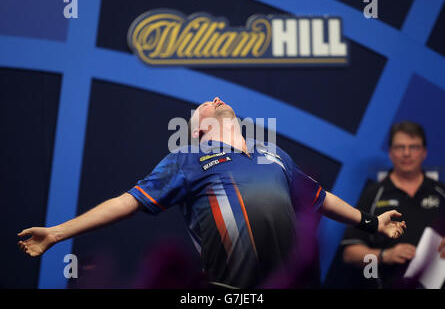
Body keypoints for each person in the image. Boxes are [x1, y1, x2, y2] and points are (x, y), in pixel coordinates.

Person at [18, 97, 407, 289]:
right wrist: (55, 233)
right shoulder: (188, 158)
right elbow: (126, 202)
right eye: (204, 105)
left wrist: (371, 221)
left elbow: (319, 198)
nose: (215, 98)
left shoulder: (275, 154)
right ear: (199, 129)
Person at [341, 121, 445, 289]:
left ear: (424, 152)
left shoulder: (441, 192)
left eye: (414, 147)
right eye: (399, 147)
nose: (406, 153)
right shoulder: (373, 195)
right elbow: (350, 254)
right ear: (390, 153)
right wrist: (384, 255)